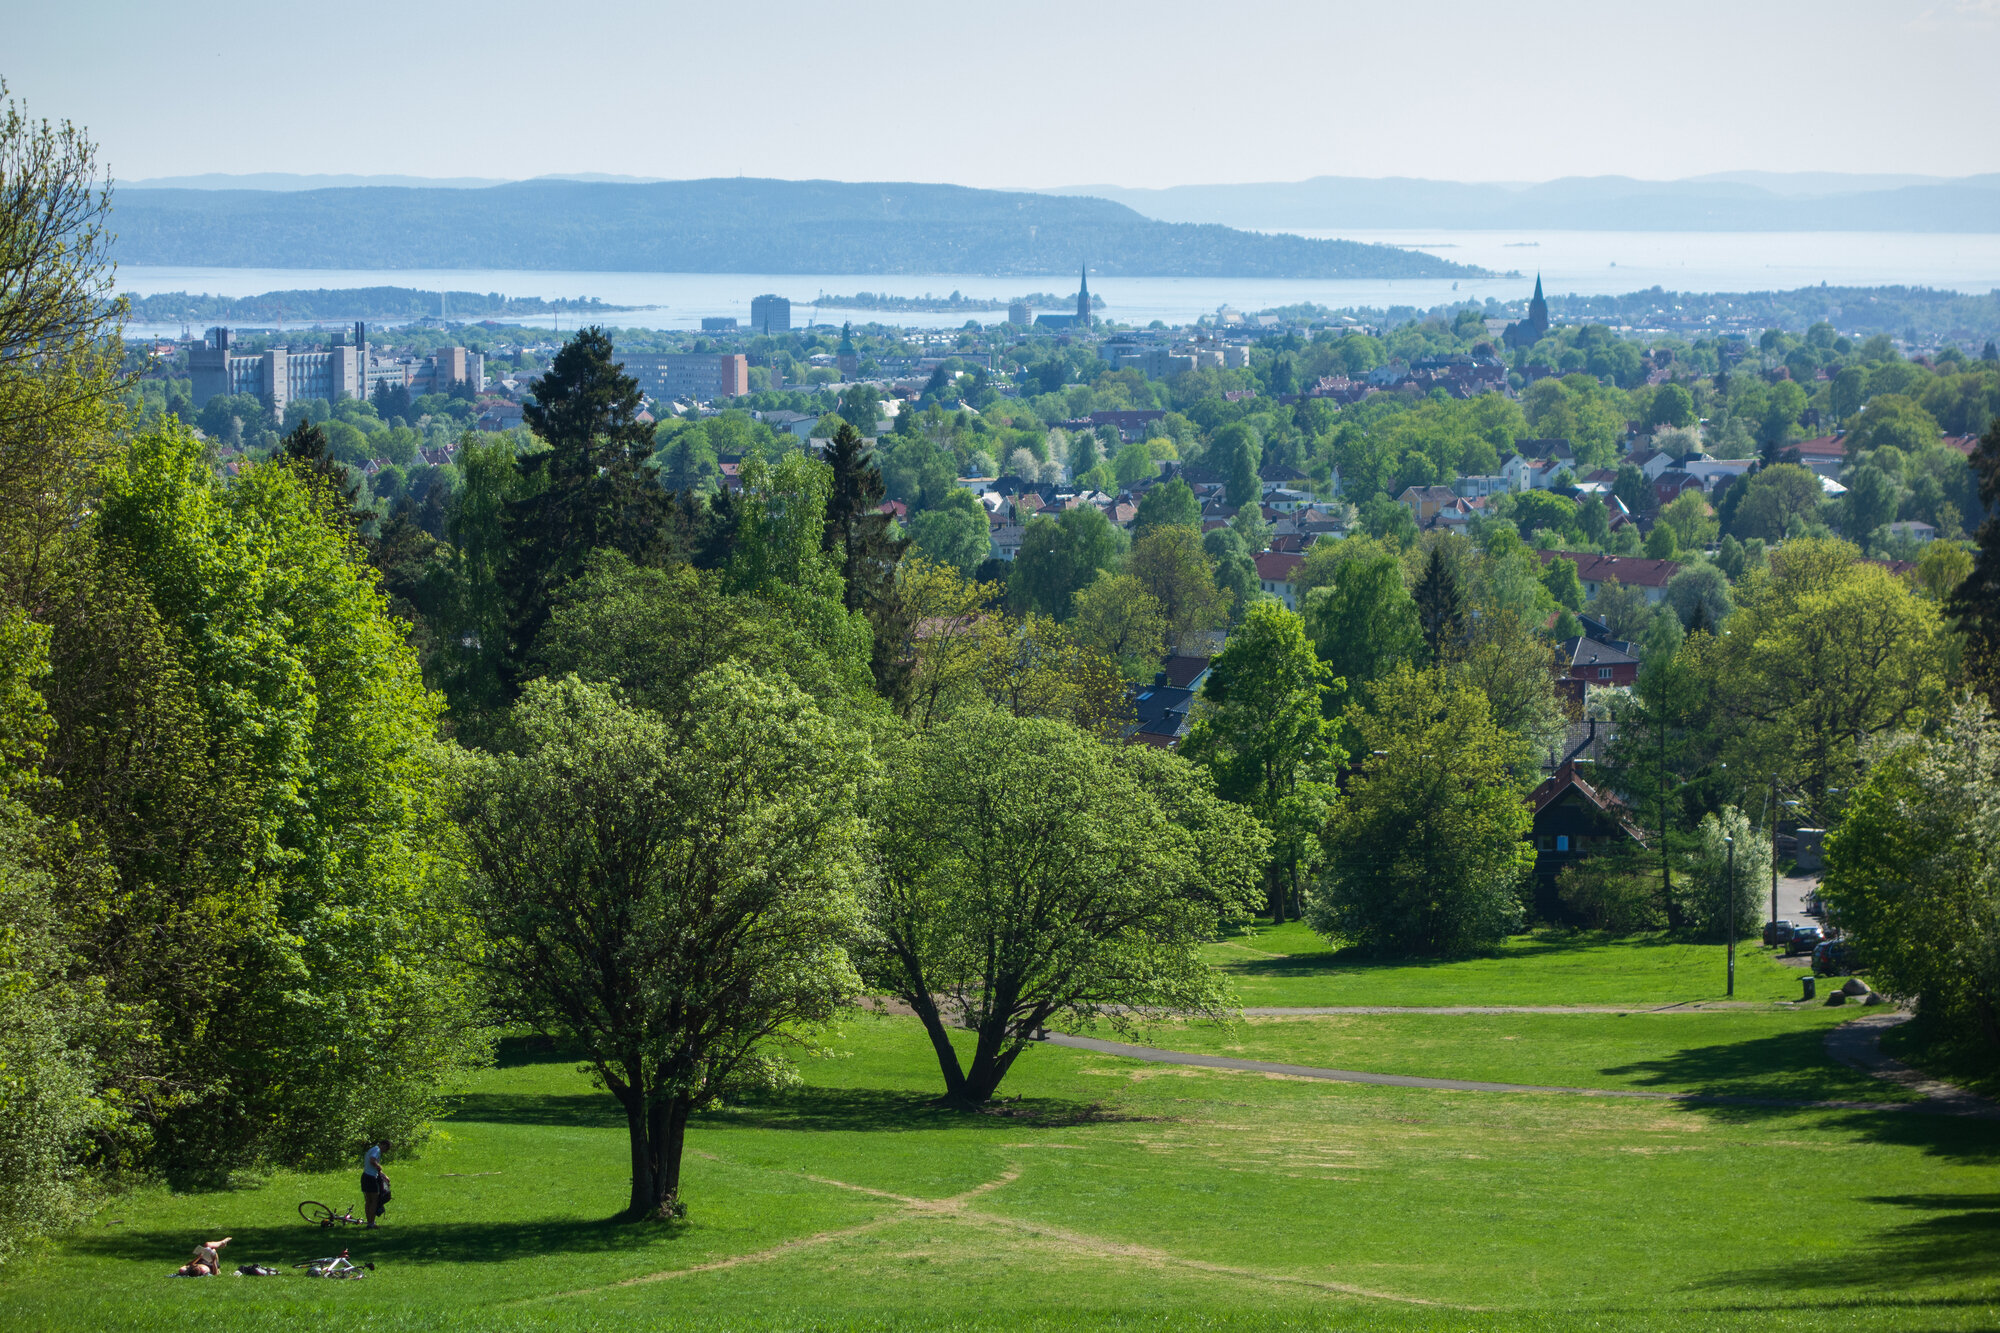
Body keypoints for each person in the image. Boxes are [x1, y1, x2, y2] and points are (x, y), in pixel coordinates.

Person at [361, 1142, 390, 1228]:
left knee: (368, 1201)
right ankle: (371, 1223)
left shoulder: (372, 1149)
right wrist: (378, 1166)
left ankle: (369, 1222)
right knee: (374, 1201)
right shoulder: (377, 1150)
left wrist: (383, 1175)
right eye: (386, 1149)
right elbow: (372, 1160)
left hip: (365, 1176)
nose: (384, 1151)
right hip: (371, 1178)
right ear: (383, 1145)